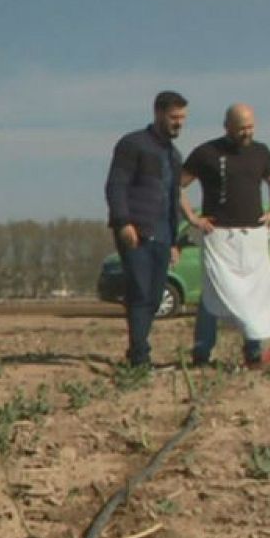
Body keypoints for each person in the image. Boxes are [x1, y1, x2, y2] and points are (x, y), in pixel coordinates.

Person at [179, 103, 270, 367]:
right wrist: (192, 217)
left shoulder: (261, 152)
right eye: (241, 128)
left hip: (253, 235)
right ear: (227, 126)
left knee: (254, 295)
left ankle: (253, 351)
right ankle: (202, 352)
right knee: (212, 294)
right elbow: (176, 185)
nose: (247, 133)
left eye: (250, 127)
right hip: (219, 235)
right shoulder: (206, 153)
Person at [105, 90, 188, 367]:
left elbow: (173, 199)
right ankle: (140, 357)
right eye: (174, 117)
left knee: (154, 297)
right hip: (137, 232)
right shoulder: (133, 144)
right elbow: (116, 185)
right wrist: (123, 222)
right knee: (140, 293)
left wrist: (175, 241)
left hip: (163, 235)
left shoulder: (174, 156)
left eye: (182, 118)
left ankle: (137, 350)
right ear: (158, 113)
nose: (179, 123)